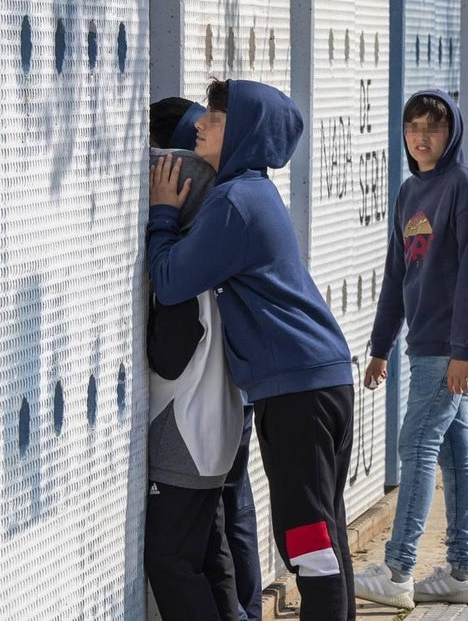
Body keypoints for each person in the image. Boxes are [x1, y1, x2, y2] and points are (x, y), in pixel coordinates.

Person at [147, 79, 357, 621]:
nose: (199, 125)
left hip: (299, 392)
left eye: (214, 119)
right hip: (318, 379)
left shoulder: (237, 202)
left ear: (240, 131)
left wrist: (164, 212)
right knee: (322, 534)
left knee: (308, 541)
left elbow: (170, 282)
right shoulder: (253, 192)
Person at [353, 91, 468, 610]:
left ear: (450, 133)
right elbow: (397, 276)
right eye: (413, 127)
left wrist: (465, 350)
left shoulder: (465, 189)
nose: (421, 137)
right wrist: (380, 345)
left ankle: (398, 570)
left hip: (448, 349)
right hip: (423, 345)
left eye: (432, 128)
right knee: (455, 456)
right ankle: (462, 572)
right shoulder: (410, 192)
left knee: (415, 446)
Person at [146, 97, 263, 621]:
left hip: (185, 442)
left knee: (170, 561)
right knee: (211, 556)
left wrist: (159, 220)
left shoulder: (182, 278)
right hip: (215, 435)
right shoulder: (212, 260)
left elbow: (167, 358)